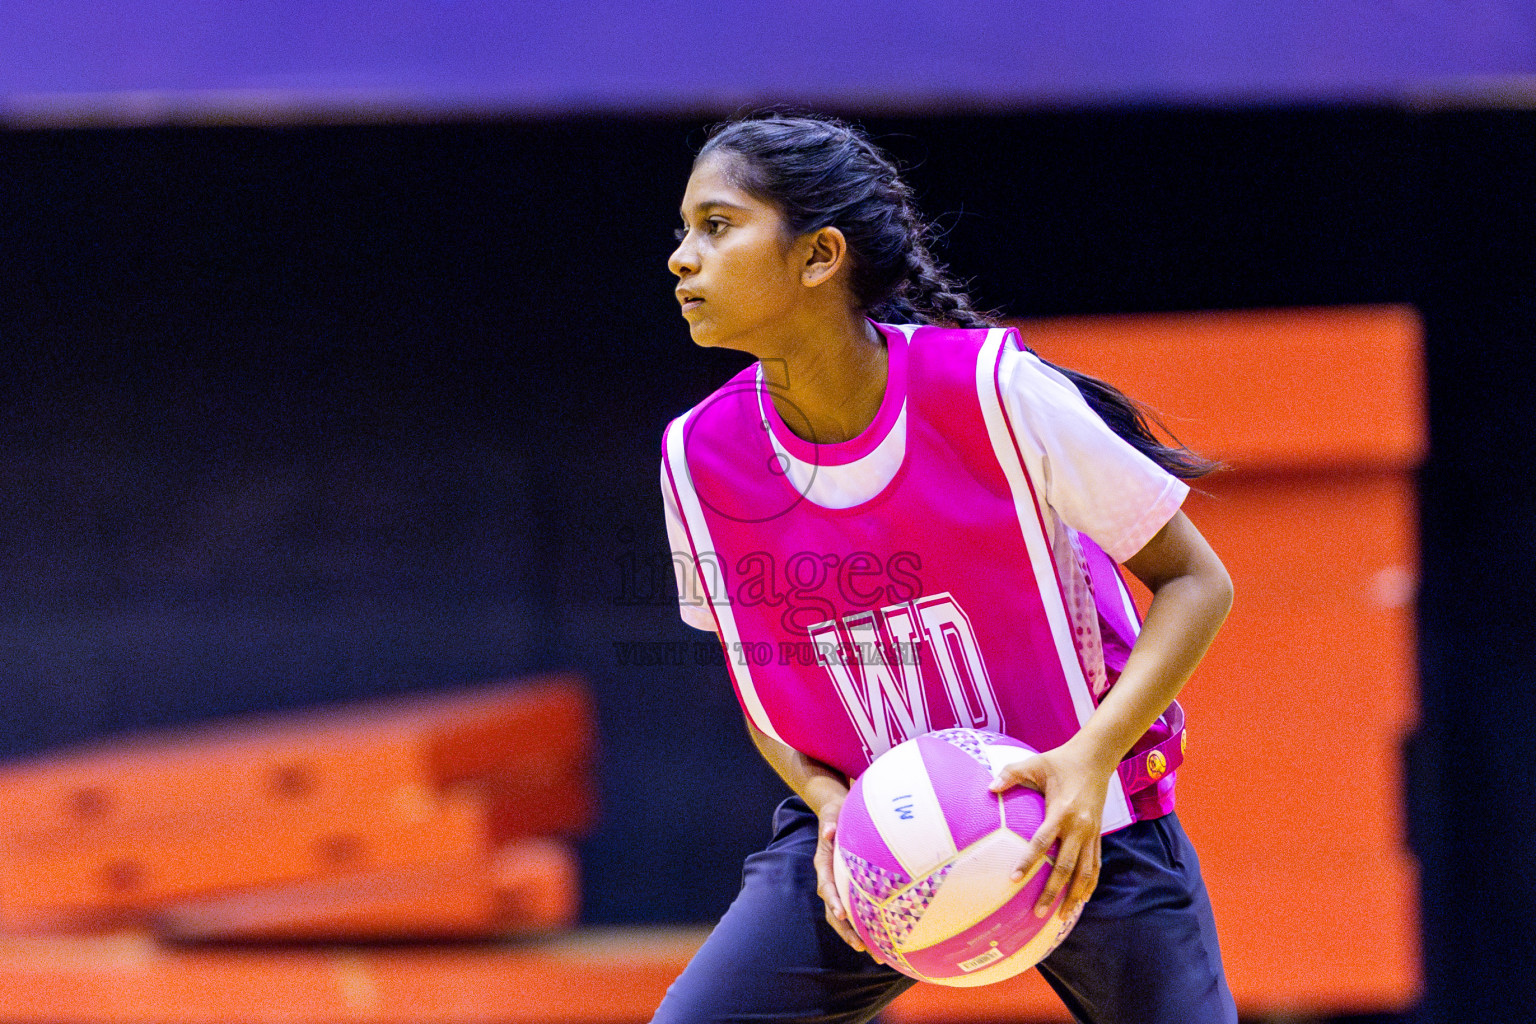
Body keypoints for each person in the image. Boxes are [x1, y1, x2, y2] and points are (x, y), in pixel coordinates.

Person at [654, 112, 1237, 1024]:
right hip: (869, 839)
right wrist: (822, 798)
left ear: (820, 257)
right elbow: (763, 683)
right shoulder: (699, 457)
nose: (683, 257)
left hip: (1083, 818)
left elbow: (1199, 582)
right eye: (685, 231)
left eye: (717, 226)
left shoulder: (993, 392)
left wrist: (1089, 759)